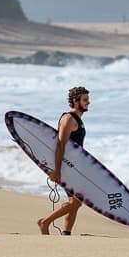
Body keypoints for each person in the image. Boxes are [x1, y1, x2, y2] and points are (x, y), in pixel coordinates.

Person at [37, 86, 90, 236]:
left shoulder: (78, 120)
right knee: (77, 201)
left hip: (75, 167)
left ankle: (66, 233)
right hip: (67, 167)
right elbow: (60, 144)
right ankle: (45, 222)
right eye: (85, 100)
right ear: (75, 101)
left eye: (88, 99)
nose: (88, 102)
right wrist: (57, 170)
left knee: (75, 202)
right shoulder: (69, 119)